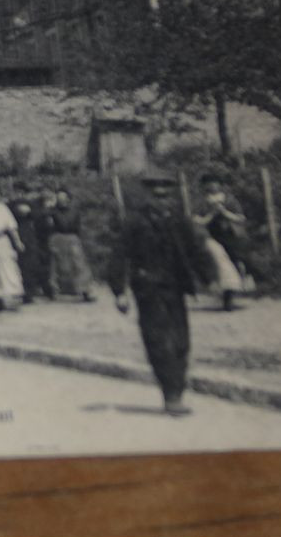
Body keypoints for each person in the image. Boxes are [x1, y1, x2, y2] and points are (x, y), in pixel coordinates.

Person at [108, 169, 217, 417]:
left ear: (171, 195)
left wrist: (209, 278)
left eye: (165, 194)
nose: (161, 200)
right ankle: (171, 395)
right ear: (147, 195)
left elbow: (196, 249)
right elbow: (120, 255)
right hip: (147, 287)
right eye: (156, 195)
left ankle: (177, 389)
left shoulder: (179, 220)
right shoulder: (134, 222)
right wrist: (119, 291)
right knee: (158, 341)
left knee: (181, 341)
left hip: (175, 286)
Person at [195, 174, 252, 311]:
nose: (212, 186)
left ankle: (232, 294)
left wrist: (224, 212)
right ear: (204, 186)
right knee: (221, 264)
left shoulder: (230, 200)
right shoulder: (202, 202)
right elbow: (197, 221)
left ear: (220, 185)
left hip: (231, 236)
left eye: (215, 182)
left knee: (236, 262)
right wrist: (211, 215)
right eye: (208, 183)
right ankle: (225, 297)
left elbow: (240, 218)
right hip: (212, 236)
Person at [46, 188, 96, 301]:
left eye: (64, 198)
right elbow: (48, 226)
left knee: (79, 264)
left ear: (68, 199)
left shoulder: (75, 211)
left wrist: (78, 239)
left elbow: (78, 226)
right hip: (57, 238)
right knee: (56, 265)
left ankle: (85, 291)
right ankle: (54, 290)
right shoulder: (51, 211)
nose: (61, 200)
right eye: (59, 198)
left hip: (72, 238)